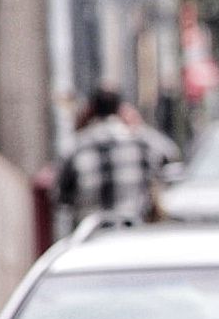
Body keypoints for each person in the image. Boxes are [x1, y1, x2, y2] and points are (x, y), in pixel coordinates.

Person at [53, 87, 172, 225]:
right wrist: (138, 124)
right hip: (133, 231)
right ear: (121, 109)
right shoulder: (141, 143)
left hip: (92, 234)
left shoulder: (76, 147)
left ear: (90, 110)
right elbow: (170, 154)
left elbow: (61, 198)